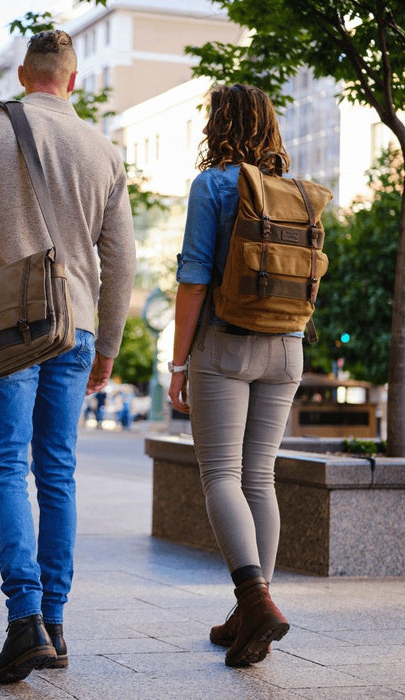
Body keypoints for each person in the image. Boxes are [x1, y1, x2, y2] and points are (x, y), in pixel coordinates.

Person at [0, 30, 136, 684]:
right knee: (58, 473)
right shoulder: (105, 151)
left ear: (25, 73)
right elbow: (122, 261)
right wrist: (108, 344)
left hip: (7, 325)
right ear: (72, 81)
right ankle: (55, 623)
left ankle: (24, 624)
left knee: (5, 467)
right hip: (74, 326)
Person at [167, 84, 302, 668]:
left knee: (221, 474)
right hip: (288, 347)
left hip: (226, 344)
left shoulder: (214, 184)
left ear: (217, 124)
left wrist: (177, 363)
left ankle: (255, 602)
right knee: (259, 479)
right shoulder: (295, 190)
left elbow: (194, 278)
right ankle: (251, 611)